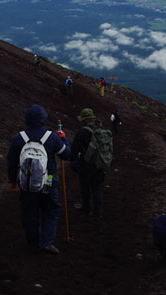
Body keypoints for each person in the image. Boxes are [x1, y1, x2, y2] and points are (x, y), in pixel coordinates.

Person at [7, 104, 70, 255]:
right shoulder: (51, 137)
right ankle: (47, 242)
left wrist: (12, 181)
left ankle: (33, 243)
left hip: (26, 182)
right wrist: (64, 139)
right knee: (50, 209)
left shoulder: (19, 138)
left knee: (29, 212)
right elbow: (66, 155)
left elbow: (11, 161)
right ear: (43, 119)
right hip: (48, 180)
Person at [71, 108, 107, 219]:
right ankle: (98, 212)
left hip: (86, 166)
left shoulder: (82, 132)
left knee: (85, 188)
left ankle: (86, 208)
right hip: (100, 164)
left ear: (84, 120)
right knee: (97, 189)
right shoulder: (101, 129)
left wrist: (73, 160)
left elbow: (74, 151)